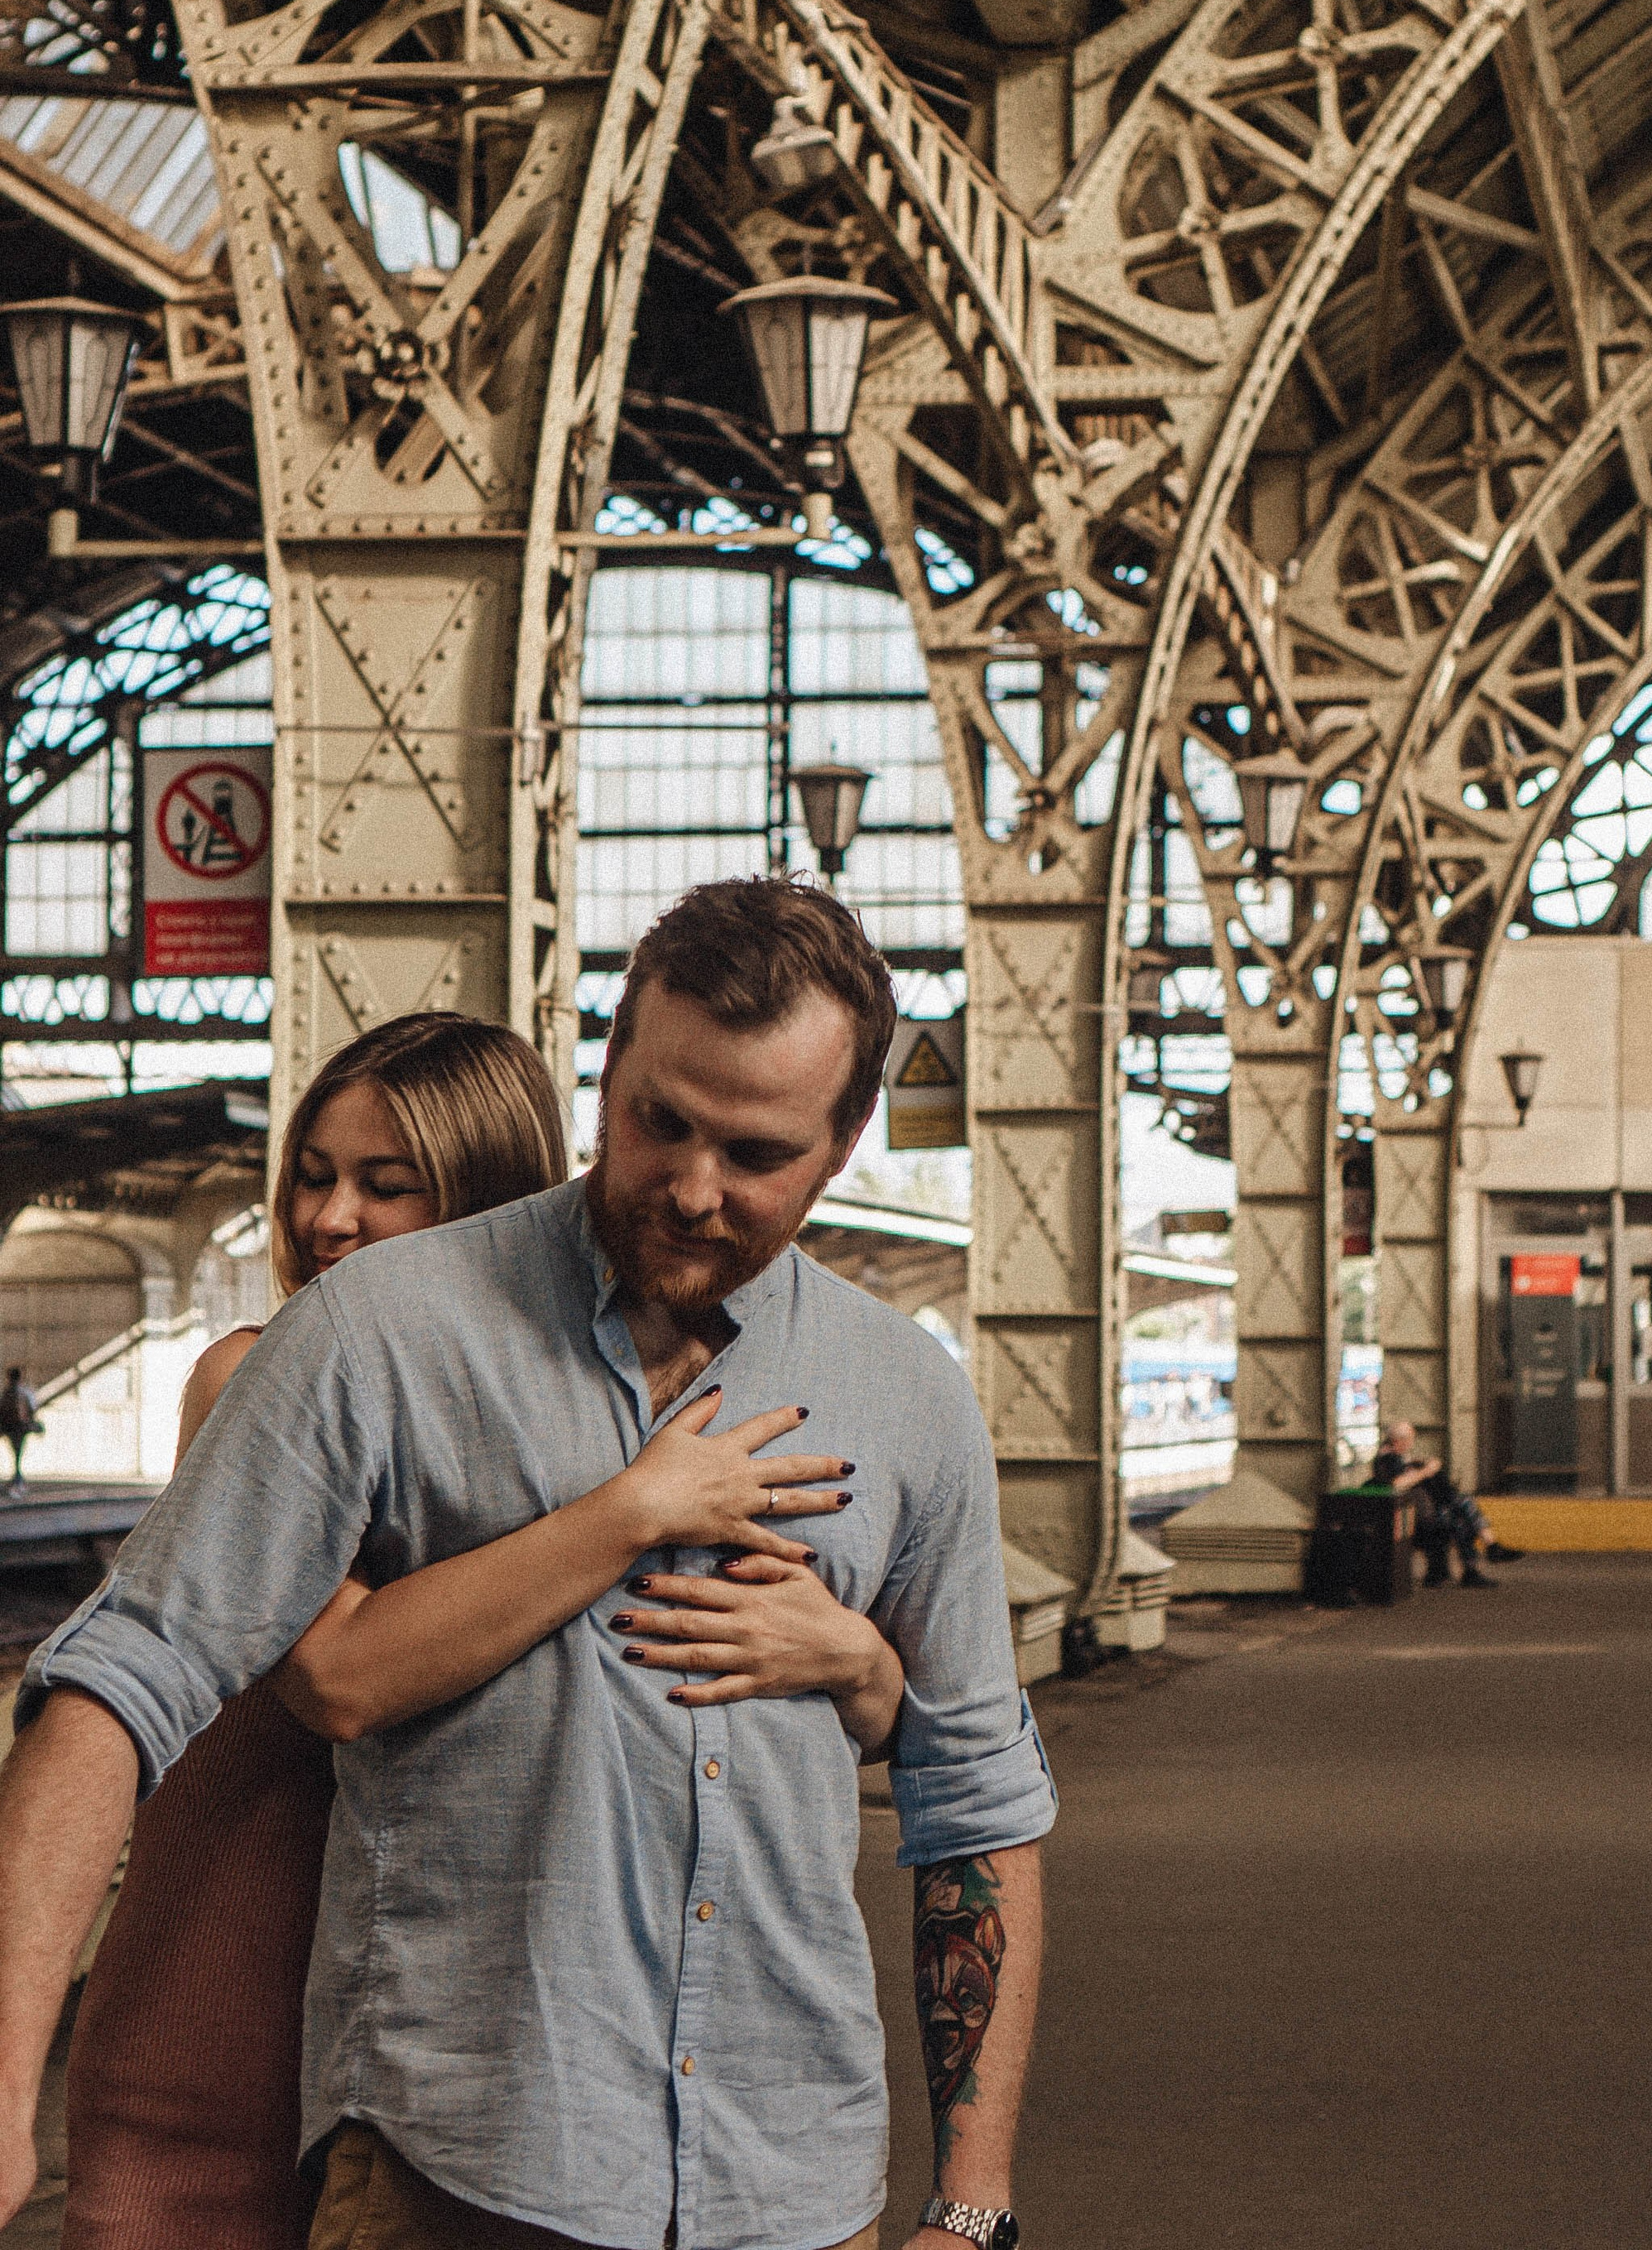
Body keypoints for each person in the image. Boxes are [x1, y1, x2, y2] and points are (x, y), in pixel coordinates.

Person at [0, 879, 1053, 2250]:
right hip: (460, 2170)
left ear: (846, 1142)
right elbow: (121, 1681)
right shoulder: (377, 1339)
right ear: (609, 1065)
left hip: (792, 2181)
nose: (689, 1186)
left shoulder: (909, 1397)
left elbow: (976, 1796)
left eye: (753, 1153)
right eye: (658, 1121)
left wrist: (972, 2205)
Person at [1370, 1419, 1499, 1587]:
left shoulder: (1396, 1457)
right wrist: (1426, 1471)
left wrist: (1426, 1465)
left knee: (1461, 1513)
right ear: (1397, 1441)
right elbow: (1397, 1483)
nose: (1411, 1444)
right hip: (1405, 1517)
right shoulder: (1387, 1459)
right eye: (1409, 1440)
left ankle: (1480, 1557)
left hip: (1417, 1512)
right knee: (1459, 1517)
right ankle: (1481, 1557)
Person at [0, 1366, 38, 1487]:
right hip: (21, 1426)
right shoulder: (24, 1392)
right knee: (18, 1450)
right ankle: (17, 1476)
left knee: (15, 1450)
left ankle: (17, 1475)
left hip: (9, 1426)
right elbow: (32, 1408)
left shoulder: (7, 1392)